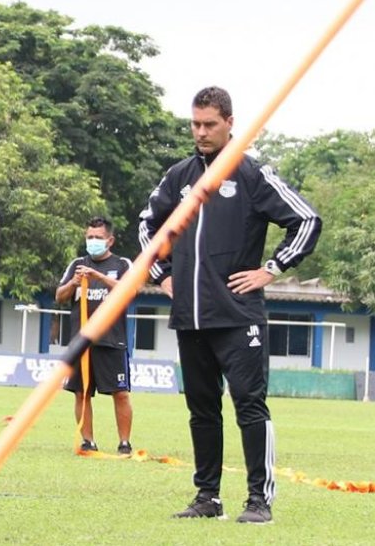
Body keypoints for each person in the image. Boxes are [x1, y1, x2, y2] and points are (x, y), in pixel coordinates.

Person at [139, 86, 321, 524]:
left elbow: (307, 219)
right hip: (190, 317)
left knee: (249, 404)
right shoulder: (179, 176)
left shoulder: (251, 174)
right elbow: (148, 226)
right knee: (202, 409)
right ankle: (208, 498)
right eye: (195, 124)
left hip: (239, 317)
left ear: (230, 124)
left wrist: (272, 268)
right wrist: (162, 276)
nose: (200, 132)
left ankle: (259, 500)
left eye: (209, 125)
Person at [55, 216, 134, 455]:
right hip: (81, 341)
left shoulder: (122, 264)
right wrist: (74, 283)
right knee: (81, 392)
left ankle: (124, 443)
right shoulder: (76, 264)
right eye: (90, 237)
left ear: (110, 240)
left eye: (98, 238)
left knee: (120, 393)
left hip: (112, 339)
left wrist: (98, 277)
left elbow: (129, 290)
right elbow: (59, 296)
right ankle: (88, 441)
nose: (93, 241)